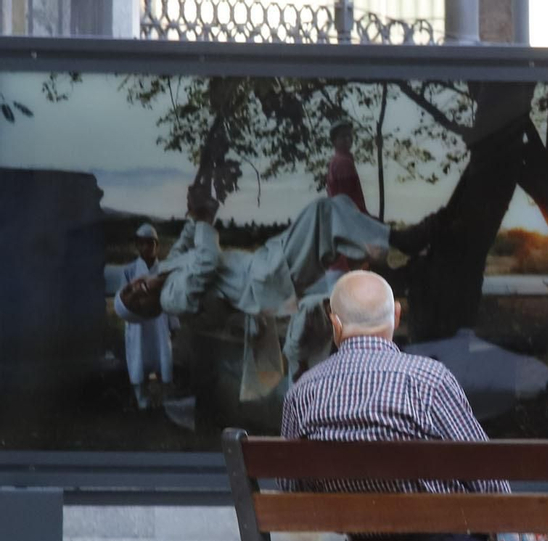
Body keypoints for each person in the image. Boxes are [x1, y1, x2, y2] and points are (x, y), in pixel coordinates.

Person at [281, 271, 548, 541]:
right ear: (395, 316)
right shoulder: (427, 381)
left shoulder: (303, 392)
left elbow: (292, 492)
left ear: (334, 324)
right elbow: (486, 479)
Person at [117, 188, 431, 409]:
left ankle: (387, 263)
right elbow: (206, 260)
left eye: (131, 289)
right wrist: (201, 220)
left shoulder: (167, 268)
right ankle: (396, 241)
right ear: (147, 313)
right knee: (323, 213)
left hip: (267, 264)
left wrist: (196, 205)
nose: (137, 291)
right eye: (136, 302)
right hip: (266, 282)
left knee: (337, 207)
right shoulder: (173, 300)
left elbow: (190, 237)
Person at [113, 223, 173, 411]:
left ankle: (164, 400)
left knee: (163, 357)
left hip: (160, 323)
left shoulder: (164, 270)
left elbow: (170, 299)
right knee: (138, 358)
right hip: (138, 324)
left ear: (157, 245)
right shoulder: (129, 271)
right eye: (142, 244)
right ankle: (142, 400)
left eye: (150, 243)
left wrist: (174, 325)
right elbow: (123, 299)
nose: (146, 248)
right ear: (137, 246)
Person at [325, 119, 368, 215]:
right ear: (334, 141)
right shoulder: (343, 162)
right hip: (349, 218)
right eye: (343, 136)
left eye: (349, 135)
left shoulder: (337, 160)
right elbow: (348, 200)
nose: (348, 139)